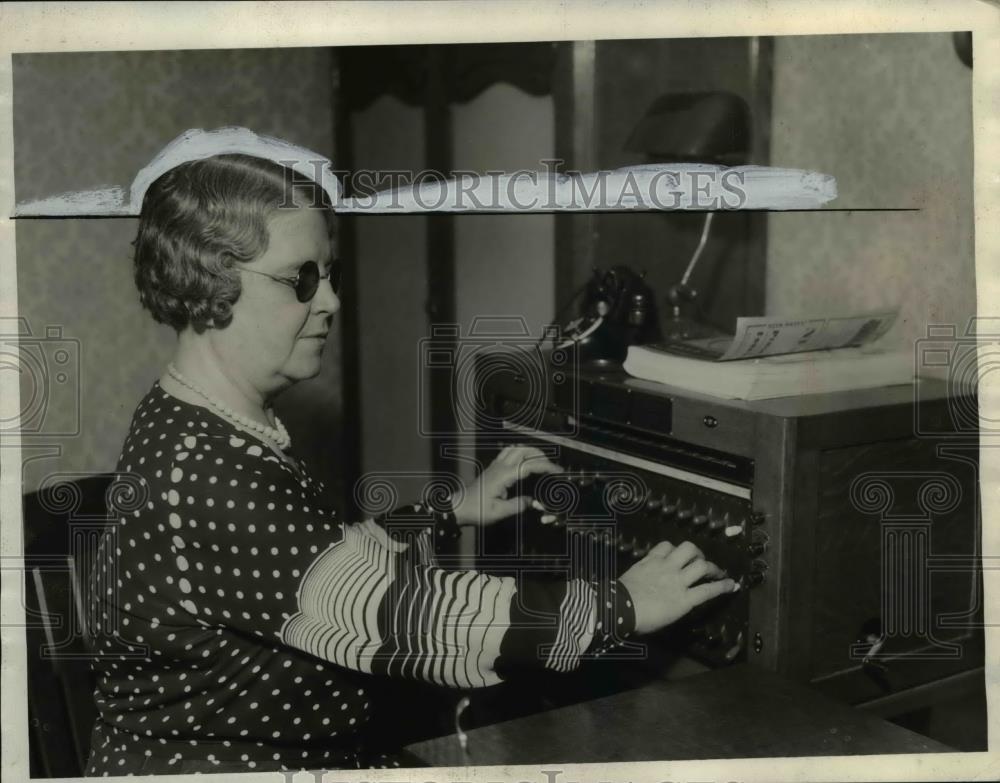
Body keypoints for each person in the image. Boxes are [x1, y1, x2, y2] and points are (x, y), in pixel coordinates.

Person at [85, 150, 736, 776]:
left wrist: (450, 510)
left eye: (330, 274)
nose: (332, 302)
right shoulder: (208, 473)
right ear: (208, 279)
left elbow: (309, 566)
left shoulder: (191, 416)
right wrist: (623, 603)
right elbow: (416, 618)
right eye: (300, 279)